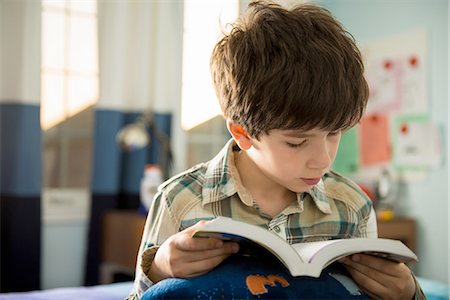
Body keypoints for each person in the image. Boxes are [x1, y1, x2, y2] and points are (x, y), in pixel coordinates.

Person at [128, 1, 424, 299]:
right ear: (243, 133)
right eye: (296, 142)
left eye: (335, 134)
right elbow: (139, 296)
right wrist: (162, 268)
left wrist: (408, 292)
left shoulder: (351, 205)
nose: (322, 159)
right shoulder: (179, 200)